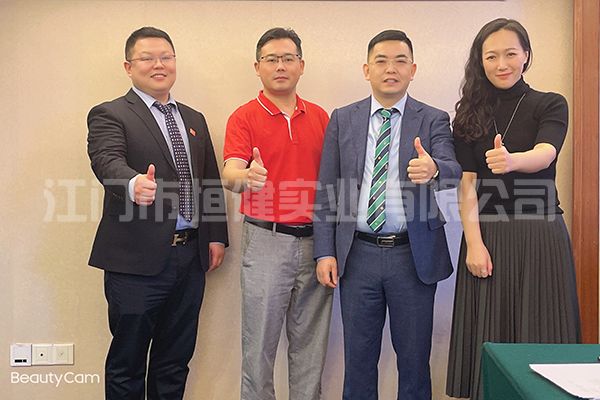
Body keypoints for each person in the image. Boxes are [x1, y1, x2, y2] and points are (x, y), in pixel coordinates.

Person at [313, 30, 461, 400]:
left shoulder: (433, 119)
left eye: (399, 61)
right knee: (359, 362)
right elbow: (327, 188)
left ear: (413, 69)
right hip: (357, 255)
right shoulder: (343, 118)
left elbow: (453, 170)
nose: (390, 69)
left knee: (414, 362)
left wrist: (434, 169)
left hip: (413, 256)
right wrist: (324, 251)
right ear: (367, 70)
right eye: (381, 61)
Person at [87, 26, 228, 400]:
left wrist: (216, 236)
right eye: (147, 58)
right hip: (135, 260)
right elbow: (106, 160)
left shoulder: (193, 118)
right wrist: (133, 183)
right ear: (128, 66)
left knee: (175, 361)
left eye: (166, 57)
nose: (158, 65)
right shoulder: (110, 113)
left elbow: (209, 181)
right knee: (128, 363)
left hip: (190, 256)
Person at [446, 18, 581, 400]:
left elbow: (546, 153)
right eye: (491, 56)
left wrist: (512, 161)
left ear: (526, 56)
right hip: (488, 237)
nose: (501, 64)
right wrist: (474, 244)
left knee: (543, 335)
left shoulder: (549, 103)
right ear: (480, 61)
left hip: (540, 235)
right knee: (490, 338)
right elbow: (467, 186)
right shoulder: (469, 115)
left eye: (510, 54)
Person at [222, 27, 332, 400]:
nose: (280, 66)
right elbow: (230, 173)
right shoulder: (244, 117)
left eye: (288, 58)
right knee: (259, 347)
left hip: (317, 243)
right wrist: (245, 177)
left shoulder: (320, 117)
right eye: (271, 59)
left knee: (311, 349)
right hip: (266, 240)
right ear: (258, 67)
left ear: (301, 65)